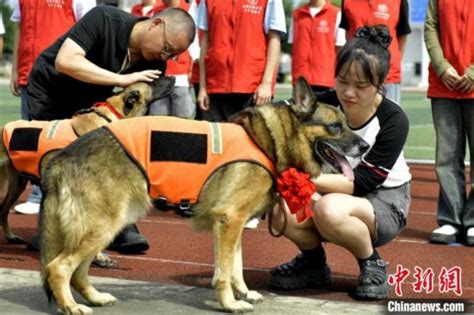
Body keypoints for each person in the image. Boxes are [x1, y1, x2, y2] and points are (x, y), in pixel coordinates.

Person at [24, 5, 196, 253]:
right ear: (156, 24)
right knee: (55, 162)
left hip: (90, 102)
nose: (165, 57)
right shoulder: (103, 18)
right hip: (51, 93)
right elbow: (65, 61)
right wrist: (120, 79)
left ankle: (121, 224)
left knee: (111, 158)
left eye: (172, 55)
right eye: (166, 48)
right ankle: (52, 231)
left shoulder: (156, 65)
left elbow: (134, 117)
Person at [268, 25, 412, 300]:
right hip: (334, 190)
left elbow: (365, 182)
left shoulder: (393, 120)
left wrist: (307, 179)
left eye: (360, 86)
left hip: (384, 201)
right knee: (279, 207)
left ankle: (371, 263)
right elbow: (284, 110)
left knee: (328, 208)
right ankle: (312, 264)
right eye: (342, 81)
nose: (348, 93)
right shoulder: (328, 103)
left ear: (379, 83)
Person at [9, 0, 96, 216]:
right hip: (29, 73)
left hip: (61, 76)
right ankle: (38, 194)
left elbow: (90, 30)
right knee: (32, 138)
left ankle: (65, 194)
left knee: (62, 138)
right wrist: (15, 69)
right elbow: (21, 29)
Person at [424, 0, 474, 246]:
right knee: (446, 156)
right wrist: (442, 67)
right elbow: (430, 26)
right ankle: (450, 219)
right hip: (444, 84)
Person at [196, 0, 286, 122]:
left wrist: (266, 84)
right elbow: (205, 41)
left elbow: (274, 40)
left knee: (250, 140)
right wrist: (202, 87)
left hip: (253, 89)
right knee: (220, 139)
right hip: (216, 87)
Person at [339, 0, 411, 105]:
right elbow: (348, 35)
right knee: (357, 119)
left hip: (387, 76)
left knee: (389, 118)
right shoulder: (347, 1)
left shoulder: (399, 1)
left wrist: (390, 63)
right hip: (356, 76)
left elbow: (402, 37)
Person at [150, 0, 199, 119]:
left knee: (182, 120)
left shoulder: (189, 9)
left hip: (181, 74)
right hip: (160, 76)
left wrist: (191, 69)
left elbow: (195, 41)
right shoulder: (157, 10)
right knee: (158, 119)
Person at [289, 0, 346, 93]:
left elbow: (340, 49)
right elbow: (294, 46)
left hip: (325, 79)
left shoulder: (336, 14)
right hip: (300, 78)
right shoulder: (297, 14)